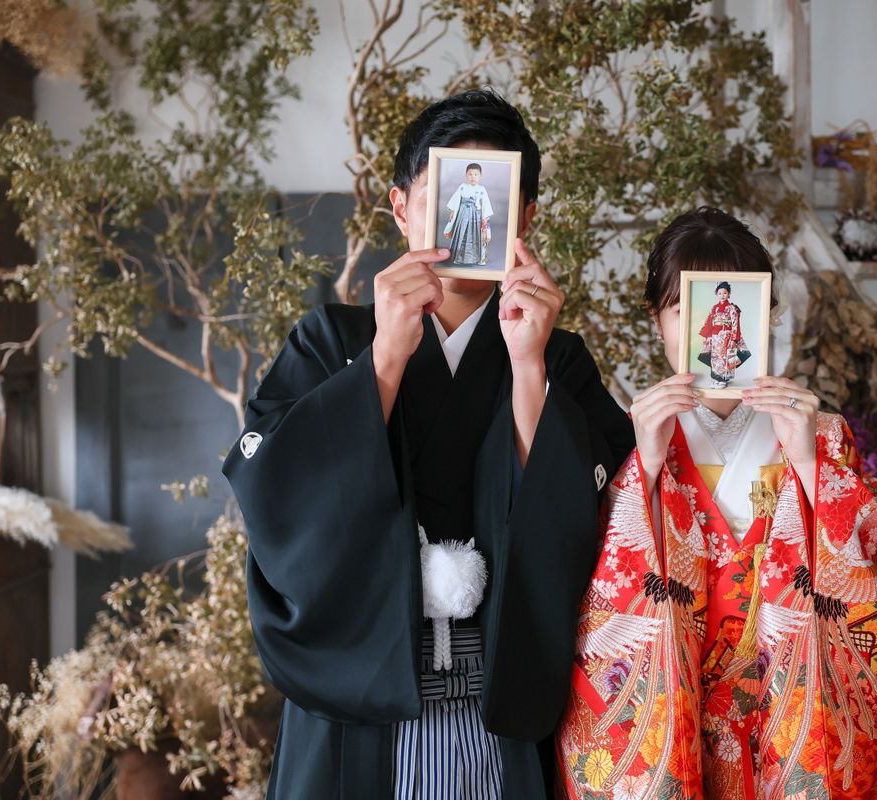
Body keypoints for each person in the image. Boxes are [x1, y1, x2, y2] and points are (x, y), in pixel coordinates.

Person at [223, 90, 634, 799]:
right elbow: (276, 492)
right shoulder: (331, 341)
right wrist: (384, 358)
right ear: (401, 209)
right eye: (437, 196)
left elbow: (583, 521)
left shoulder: (555, 357)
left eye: (498, 197)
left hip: (500, 708)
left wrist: (528, 367)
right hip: (359, 703)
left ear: (525, 218)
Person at [556, 207, 877, 799]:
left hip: (789, 712)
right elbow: (584, 584)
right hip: (676, 717)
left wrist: (810, 466)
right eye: (681, 310)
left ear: (766, 315)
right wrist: (644, 469)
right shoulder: (630, 438)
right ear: (656, 319)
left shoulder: (818, 435)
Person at [697, 280, 749, 388]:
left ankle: (724, 380)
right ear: (716, 294)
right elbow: (710, 322)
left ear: (729, 294)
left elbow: (735, 323)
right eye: (720, 293)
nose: (722, 295)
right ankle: (717, 378)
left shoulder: (731, 308)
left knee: (725, 357)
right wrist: (708, 337)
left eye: (725, 293)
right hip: (715, 336)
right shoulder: (714, 308)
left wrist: (734, 339)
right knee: (715, 358)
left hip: (726, 336)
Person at [444, 162, 495, 265]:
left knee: (475, 235)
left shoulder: (482, 189)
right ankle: (458, 257)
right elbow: (456, 199)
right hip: (462, 214)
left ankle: (476, 258)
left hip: (476, 216)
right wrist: (453, 211)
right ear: (466, 175)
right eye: (470, 174)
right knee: (461, 233)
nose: (473, 177)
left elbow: (485, 204)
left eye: (476, 174)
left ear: (480, 176)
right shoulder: (462, 187)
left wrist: (485, 218)